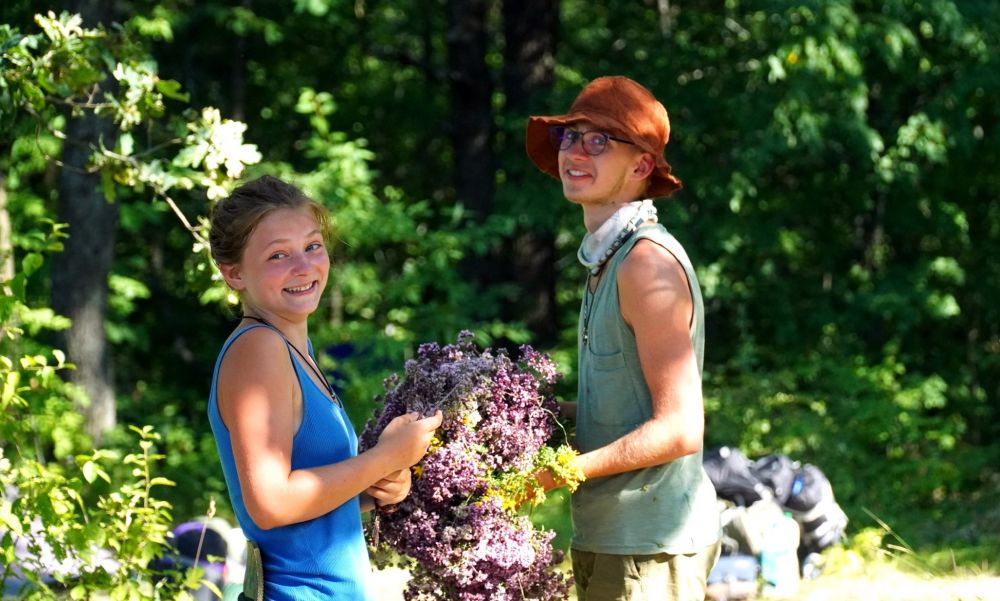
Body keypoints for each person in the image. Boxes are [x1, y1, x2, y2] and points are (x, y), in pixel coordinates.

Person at [524, 76, 721, 600]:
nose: (575, 152)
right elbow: (622, 409)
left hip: (650, 547)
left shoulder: (644, 264)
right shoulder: (606, 257)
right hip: (614, 539)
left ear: (640, 166)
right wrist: (518, 417)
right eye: (570, 137)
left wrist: (555, 475)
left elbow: (680, 428)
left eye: (599, 141)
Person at [206, 175, 442, 600]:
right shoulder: (258, 349)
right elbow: (271, 503)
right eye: (278, 254)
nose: (304, 266)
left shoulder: (294, 349)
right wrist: (386, 456)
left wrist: (373, 490)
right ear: (234, 273)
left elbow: (304, 509)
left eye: (313, 246)